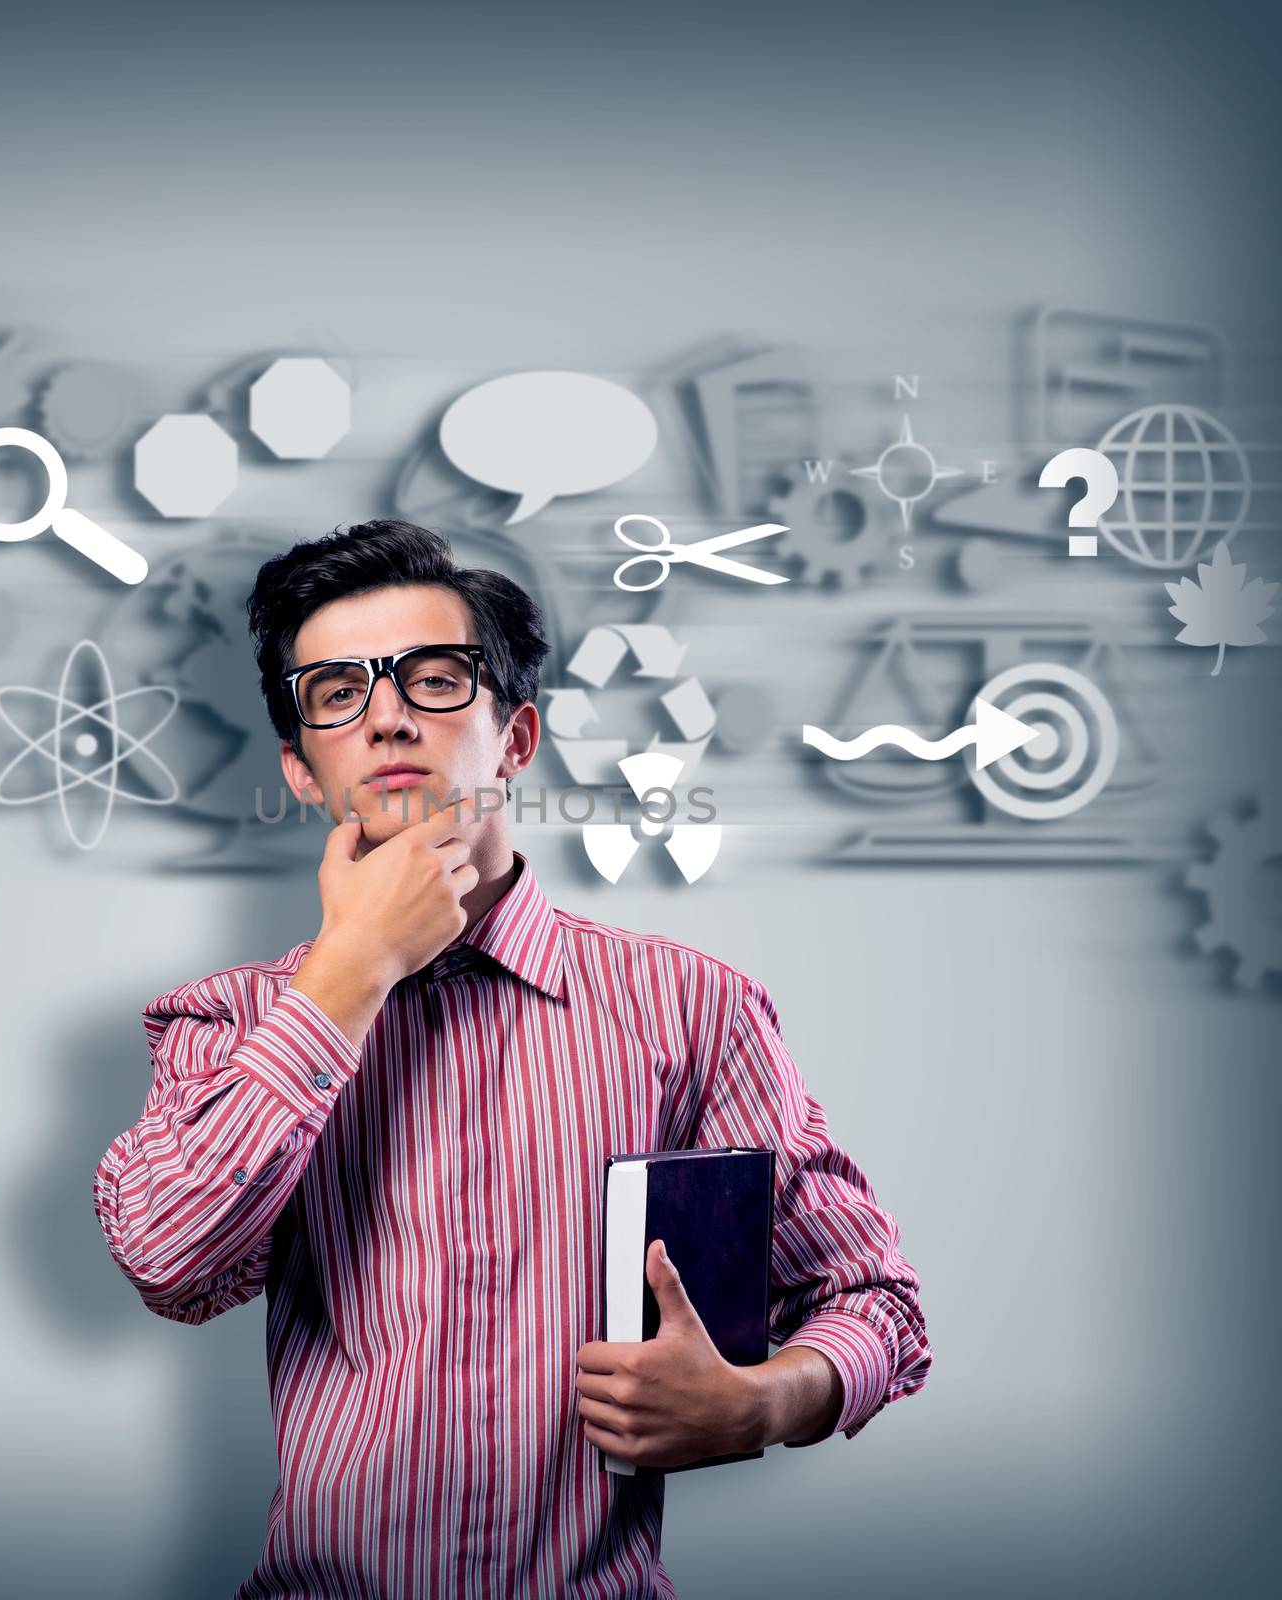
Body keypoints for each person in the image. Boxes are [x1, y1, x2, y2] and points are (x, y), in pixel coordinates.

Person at [94, 520, 933, 1599]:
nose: (388, 714)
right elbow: (170, 1260)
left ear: (517, 736)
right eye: (337, 693)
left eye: (433, 679)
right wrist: (352, 968)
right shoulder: (231, 1020)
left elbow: (875, 1297)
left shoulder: (689, 1010)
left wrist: (764, 1402)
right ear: (302, 771)